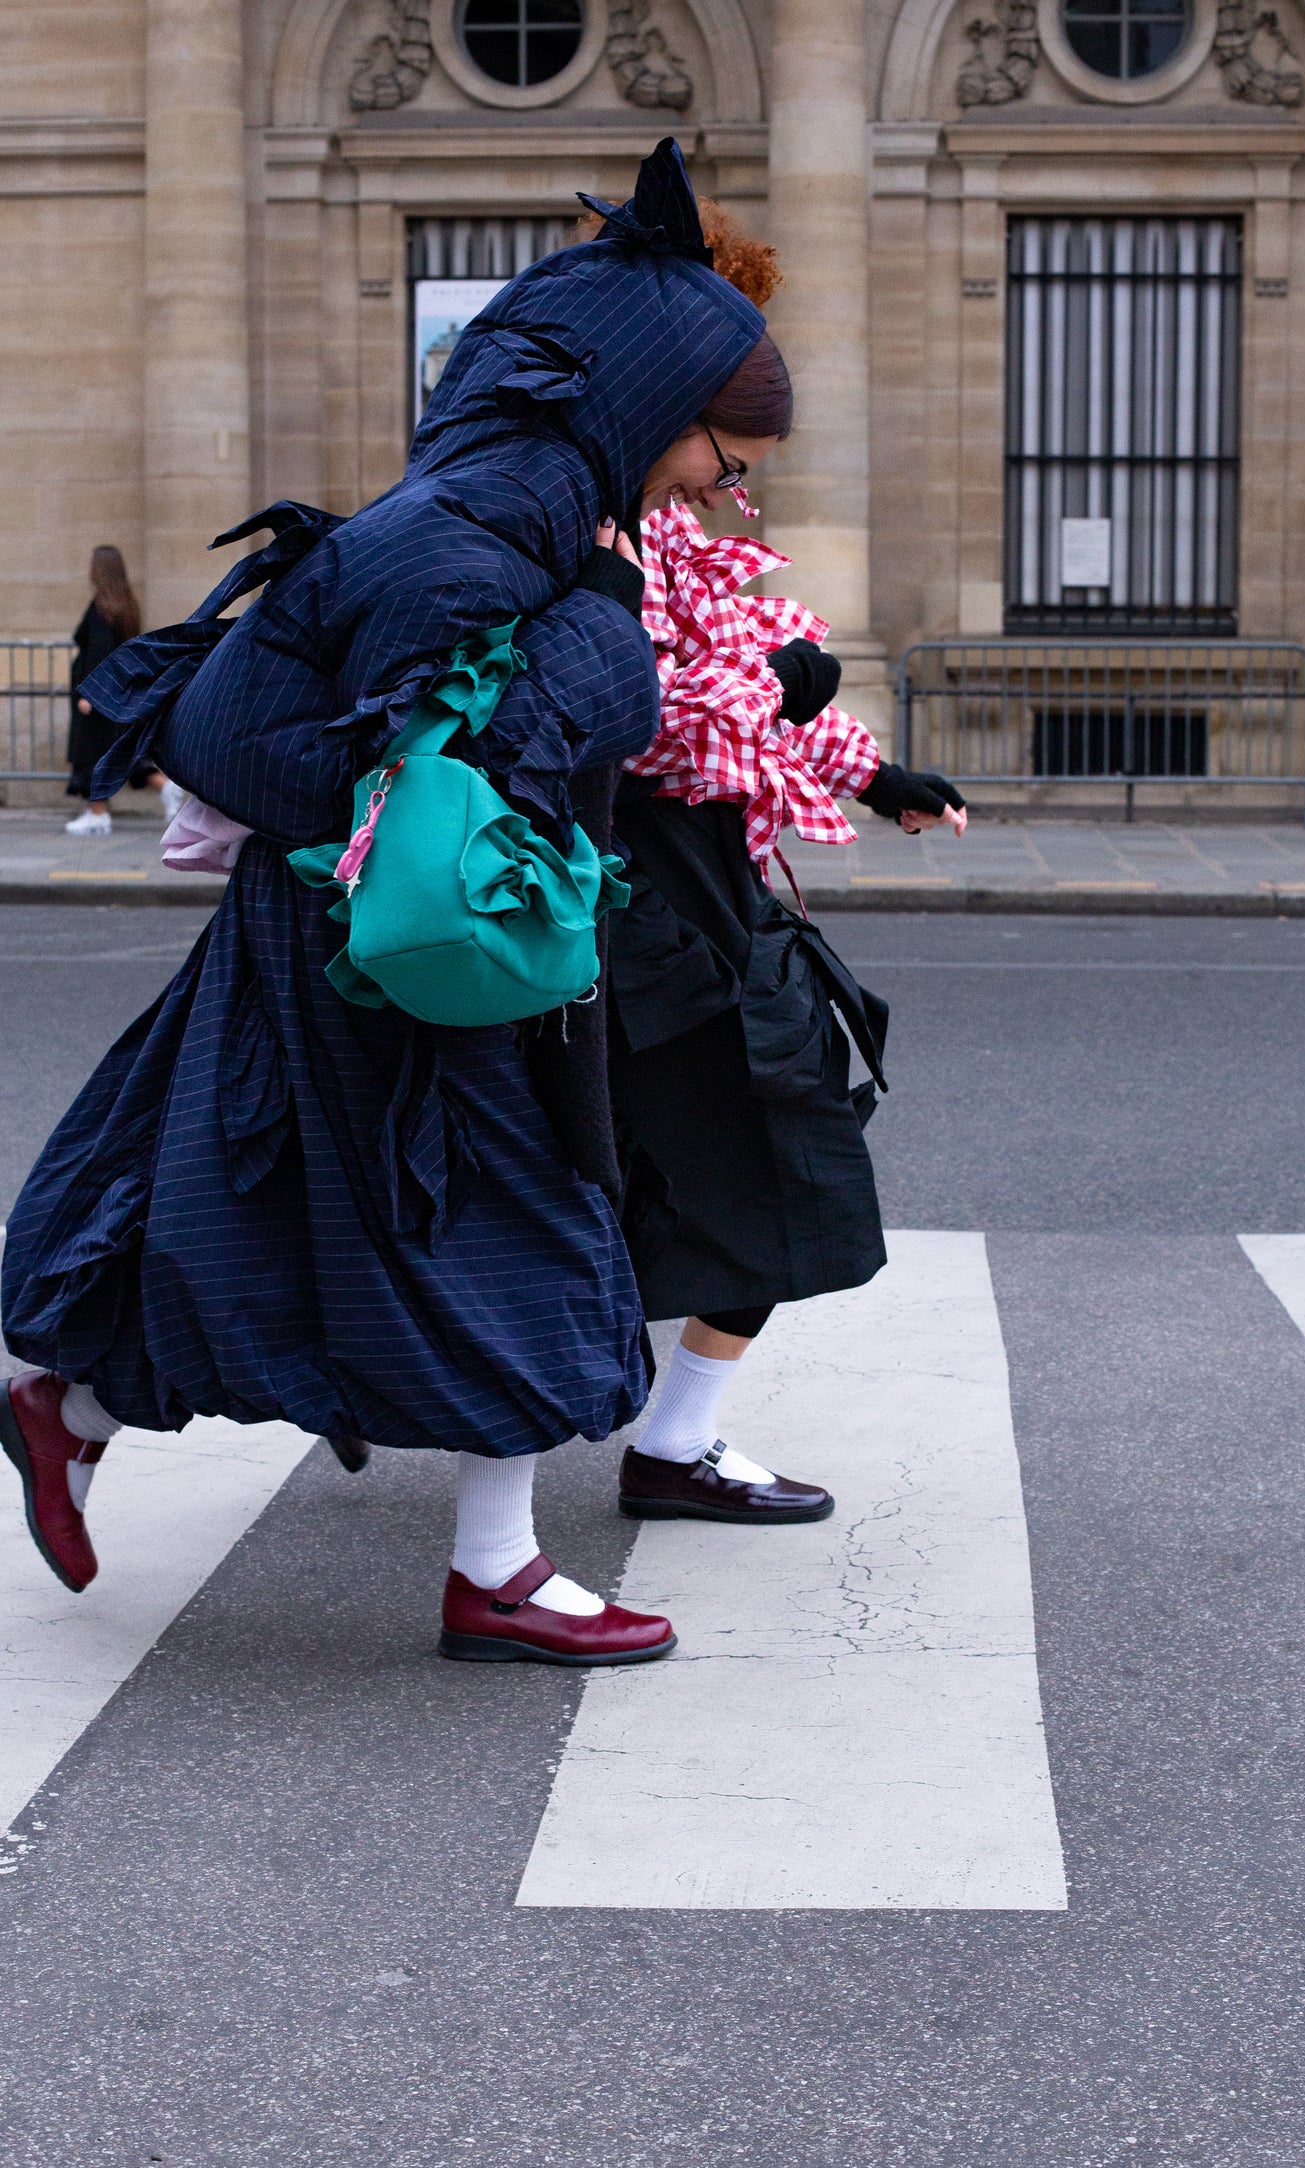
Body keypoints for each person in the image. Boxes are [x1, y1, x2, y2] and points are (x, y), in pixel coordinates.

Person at [0, 139, 787, 1669]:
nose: (726, 481)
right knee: (527, 1223)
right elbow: (330, 742)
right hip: (410, 958)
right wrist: (603, 650)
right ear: (643, 403)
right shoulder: (477, 528)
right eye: (719, 445)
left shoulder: (534, 516)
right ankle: (494, 1570)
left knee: (279, 1221)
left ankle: (70, 1406)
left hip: (396, 944)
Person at [600, 210, 968, 1527]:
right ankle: (93, 1395)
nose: (733, 489)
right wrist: (768, 679)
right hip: (634, 915)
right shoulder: (574, 522)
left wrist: (875, 776)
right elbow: (637, 709)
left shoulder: (661, 520)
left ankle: (665, 1441)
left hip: (689, 902)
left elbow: (753, 681)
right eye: (728, 460)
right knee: (766, 1170)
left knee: (752, 1171)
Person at [64, 545, 183, 836]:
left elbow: (99, 653)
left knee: (93, 753)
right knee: (118, 753)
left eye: (91, 561)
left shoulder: (102, 609)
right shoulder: (124, 604)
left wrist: (89, 694)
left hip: (98, 697)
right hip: (115, 692)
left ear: (100, 568)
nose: (87, 565)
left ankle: (98, 814)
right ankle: (165, 787)